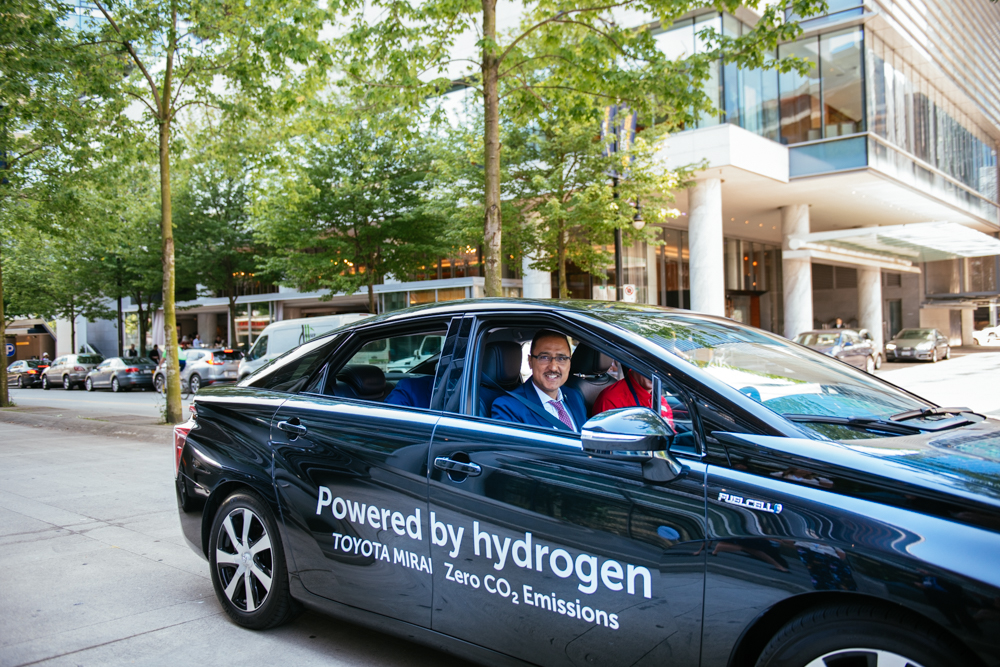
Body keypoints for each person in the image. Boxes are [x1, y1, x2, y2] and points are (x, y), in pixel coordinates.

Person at [492, 330, 586, 432]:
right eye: (544, 357)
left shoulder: (575, 396)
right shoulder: (508, 407)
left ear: (569, 362)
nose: (553, 367)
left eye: (561, 358)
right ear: (530, 361)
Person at [591, 368, 674, 427]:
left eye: (659, 368)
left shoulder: (660, 400)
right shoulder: (611, 399)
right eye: (649, 366)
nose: (655, 372)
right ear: (635, 364)